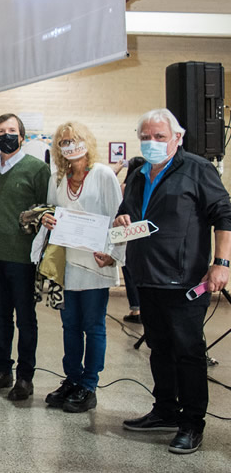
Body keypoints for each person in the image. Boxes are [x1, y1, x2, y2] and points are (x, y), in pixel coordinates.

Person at [115, 109, 231, 454]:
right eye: (146, 137)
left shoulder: (197, 169)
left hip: (184, 280)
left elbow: (224, 214)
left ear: (177, 138)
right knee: (159, 348)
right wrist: (121, 224)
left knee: (188, 352)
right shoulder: (137, 175)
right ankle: (165, 408)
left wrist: (221, 263)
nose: (151, 143)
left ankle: (192, 423)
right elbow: (128, 216)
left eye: (159, 137)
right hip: (146, 277)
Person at [40, 121, 124, 413]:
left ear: (87, 141)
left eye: (75, 139)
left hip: (95, 264)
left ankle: (89, 385)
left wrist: (114, 254)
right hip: (68, 265)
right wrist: (46, 219)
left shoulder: (102, 175)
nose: (70, 145)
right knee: (70, 326)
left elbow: (119, 217)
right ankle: (72, 380)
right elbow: (50, 210)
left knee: (93, 326)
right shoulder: (59, 177)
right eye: (64, 142)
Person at [0, 114, 50, 401]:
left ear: (22, 136)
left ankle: (25, 377)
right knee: (0, 317)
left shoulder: (37, 169)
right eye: (0, 131)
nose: (6, 135)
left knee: (26, 319)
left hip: (24, 256)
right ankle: (3, 370)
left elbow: (48, 209)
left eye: (11, 130)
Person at [113, 156, 147, 323]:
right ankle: (145, 307)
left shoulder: (126, 186)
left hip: (129, 231)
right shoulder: (148, 185)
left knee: (129, 271)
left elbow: (118, 205)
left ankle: (135, 309)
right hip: (144, 231)